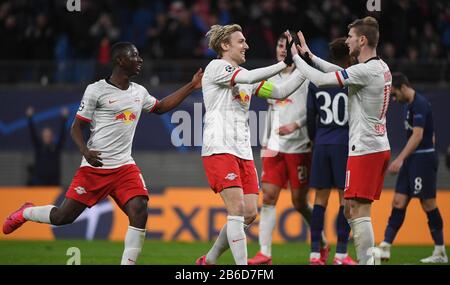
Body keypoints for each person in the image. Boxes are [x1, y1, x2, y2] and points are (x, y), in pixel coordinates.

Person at [3, 42, 203, 265]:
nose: (140, 60)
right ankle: (26, 212)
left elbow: (161, 107)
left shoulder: (139, 92)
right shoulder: (96, 90)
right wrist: (85, 151)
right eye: (135, 56)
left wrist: (191, 86)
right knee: (62, 217)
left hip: (124, 167)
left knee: (139, 210)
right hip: (95, 167)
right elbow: (76, 127)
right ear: (120, 60)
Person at [196, 24, 305, 265]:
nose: (247, 45)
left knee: (249, 214)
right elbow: (247, 76)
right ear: (225, 46)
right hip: (219, 147)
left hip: (242, 152)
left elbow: (280, 90)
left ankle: (209, 260)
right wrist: (283, 63)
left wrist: (303, 65)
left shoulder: (247, 78)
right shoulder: (217, 68)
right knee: (235, 210)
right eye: (241, 41)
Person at [291, 16, 392, 265]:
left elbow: (324, 80)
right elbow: (342, 73)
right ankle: (364, 258)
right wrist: (312, 57)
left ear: (362, 40)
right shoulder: (378, 67)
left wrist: (295, 59)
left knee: (358, 211)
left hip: (365, 149)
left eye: (350, 37)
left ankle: (368, 261)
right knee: (351, 209)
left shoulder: (366, 70)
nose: (346, 41)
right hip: (376, 146)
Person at [248, 33, 327, 265]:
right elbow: (272, 109)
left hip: (300, 146)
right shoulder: (270, 74)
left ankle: (321, 241)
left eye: (287, 46)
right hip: (273, 147)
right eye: (280, 45)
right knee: (269, 196)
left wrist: (297, 124)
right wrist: (266, 138)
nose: (283, 49)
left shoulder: (304, 75)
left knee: (299, 202)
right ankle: (265, 253)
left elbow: (314, 109)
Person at [377, 73, 447, 264]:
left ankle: (440, 250)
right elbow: (428, 135)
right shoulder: (409, 105)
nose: (393, 98)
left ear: (403, 88)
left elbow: (418, 136)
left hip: (422, 160)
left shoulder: (420, 104)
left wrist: (399, 159)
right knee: (398, 202)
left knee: (428, 204)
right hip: (413, 161)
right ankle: (385, 246)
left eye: (394, 94)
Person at [306, 38, 357, 265]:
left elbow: (309, 116)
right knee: (344, 200)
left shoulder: (316, 81)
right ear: (350, 56)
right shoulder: (352, 79)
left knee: (319, 200)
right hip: (343, 144)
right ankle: (341, 255)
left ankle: (315, 254)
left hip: (322, 143)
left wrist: (313, 140)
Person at [26, 106, 69, 186]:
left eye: (49, 135)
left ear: (52, 136)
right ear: (42, 136)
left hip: (54, 181)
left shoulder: (56, 148)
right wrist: (29, 118)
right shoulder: (39, 147)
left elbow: (62, 136)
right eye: (45, 135)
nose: (47, 137)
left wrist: (64, 119)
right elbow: (33, 134)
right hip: (40, 181)